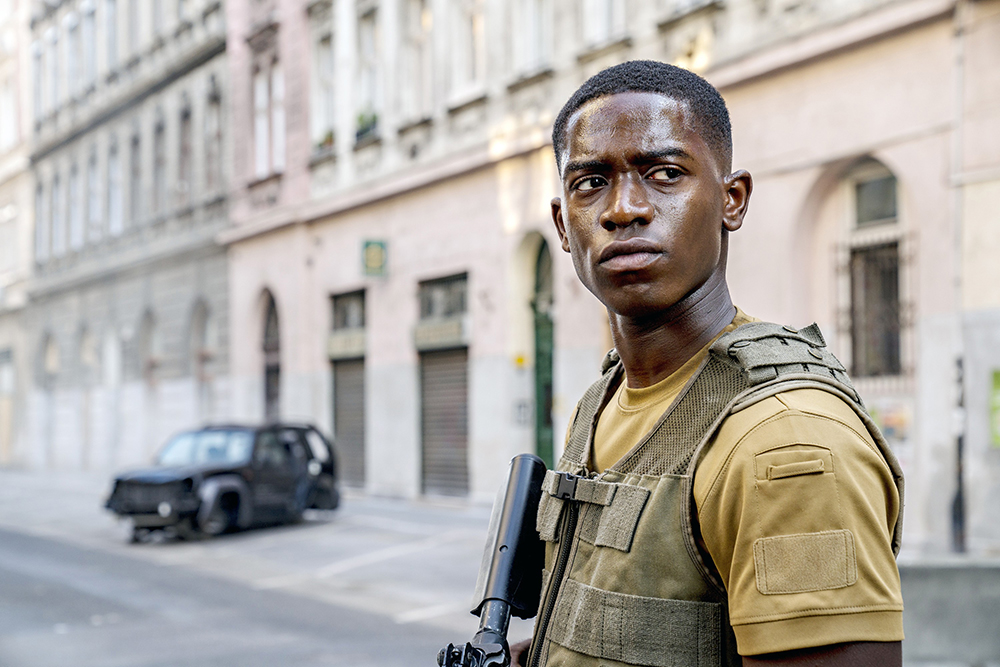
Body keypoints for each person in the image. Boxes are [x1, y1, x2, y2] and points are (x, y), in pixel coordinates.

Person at [509, 60, 904, 667]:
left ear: (732, 200)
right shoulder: (602, 400)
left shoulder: (786, 439)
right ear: (565, 225)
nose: (624, 209)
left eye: (665, 173)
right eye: (590, 183)